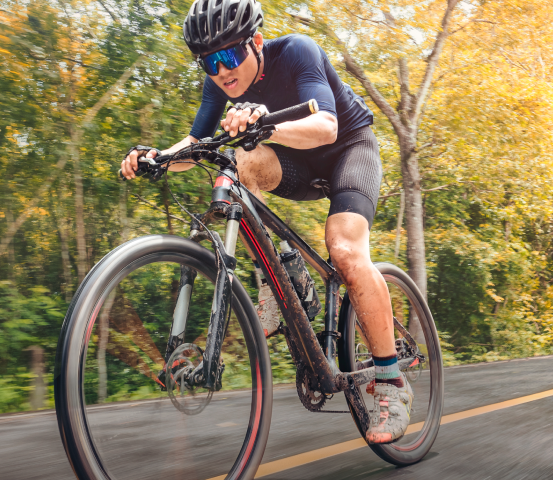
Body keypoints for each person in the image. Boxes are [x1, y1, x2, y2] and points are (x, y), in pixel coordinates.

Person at [118, 0, 410, 444]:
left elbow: (327, 126)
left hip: (348, 150)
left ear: (255, 42)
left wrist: (262, 124)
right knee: (237, 164)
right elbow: (197, 144)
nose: (221, 70)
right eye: (208, 61)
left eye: (230, 55)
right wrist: (157, 157)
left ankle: (391, 381)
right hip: (295, 166)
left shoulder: (296, 51)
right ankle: (279, 281)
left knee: (345, 250)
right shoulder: (220, 85)